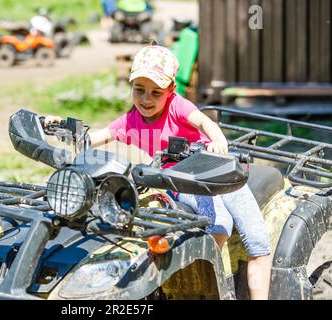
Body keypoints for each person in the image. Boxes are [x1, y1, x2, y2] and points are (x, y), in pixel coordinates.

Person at [43, 45, 272, 300]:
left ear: (171, 90)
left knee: (257, 243)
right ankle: (209, 288)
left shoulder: (178, 107)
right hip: (187, 184)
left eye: (156, 92)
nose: (146, 99)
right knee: (217, 227)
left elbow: (204, 122)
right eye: (139, 90)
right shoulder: (130, 121)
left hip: (221, 174)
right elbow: (91, 140)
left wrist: (218, 140)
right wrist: (62, 128)